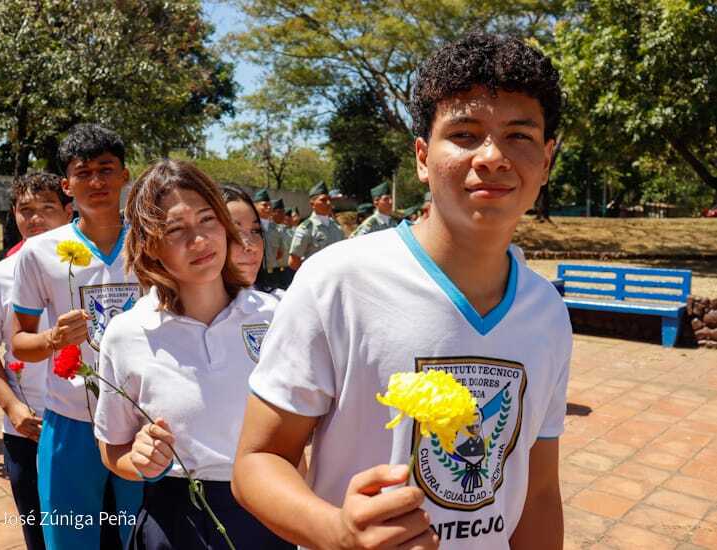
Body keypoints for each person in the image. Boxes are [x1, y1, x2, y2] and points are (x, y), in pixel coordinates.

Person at [232, 33, 571, 550]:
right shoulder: (337, 282)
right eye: (465, 133)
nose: (492, 156)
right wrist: (337, 531)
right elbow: (258, 460)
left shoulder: (546, 311)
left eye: (519, 135)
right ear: (422, 157)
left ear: (545, 161)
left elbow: (540, 491)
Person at [93, 159, 293, 550]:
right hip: (176, 523)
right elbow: (112, 449)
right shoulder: (126, 334)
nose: (199, 241)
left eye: (207, 220)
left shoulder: (275, 316)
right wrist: (139, 459)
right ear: (149, 245)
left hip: (271, 513)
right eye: (175, 230)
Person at [11, 124, 143, 549]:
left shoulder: (152, 243)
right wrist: (53, 338)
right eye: (83, 173)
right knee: (70, 539)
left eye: (106, 169)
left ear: (125, 175)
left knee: (147, 536)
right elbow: (18, 343)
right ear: (67, 185)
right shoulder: (39, 252)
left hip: (142, 419)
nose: (96, 181)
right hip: (70, 419)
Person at [0, 172, 73, 550]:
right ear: (13, 214)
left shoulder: (89, 269)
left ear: (69, 211)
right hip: (28, 429)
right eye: (25, 209)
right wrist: (12, 407)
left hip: (87, 425)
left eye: (47, 207)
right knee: (39, 532)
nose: (35, 218)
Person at [288, 182, 344, 270]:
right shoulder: (306, 228)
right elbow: (293, 261)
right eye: (323, 200)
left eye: (329, 199)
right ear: (312, 204)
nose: (328, 203)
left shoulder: (336, 226)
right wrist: (311, 274)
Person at [252, 188, 284, 287]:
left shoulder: (275, 228)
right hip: (256, 273)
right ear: (255, 206)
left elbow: (279, 253)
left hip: (272, 273)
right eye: (265, 205)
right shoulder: (251, 227)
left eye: (270, 205)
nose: (269, 207)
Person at [270, 198, 294, 289]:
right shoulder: (266, 230)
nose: (283, 214)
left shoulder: (285, 230)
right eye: (280, 212)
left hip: (286, 270)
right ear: (272, 213)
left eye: (283, 212)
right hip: (272, 271)